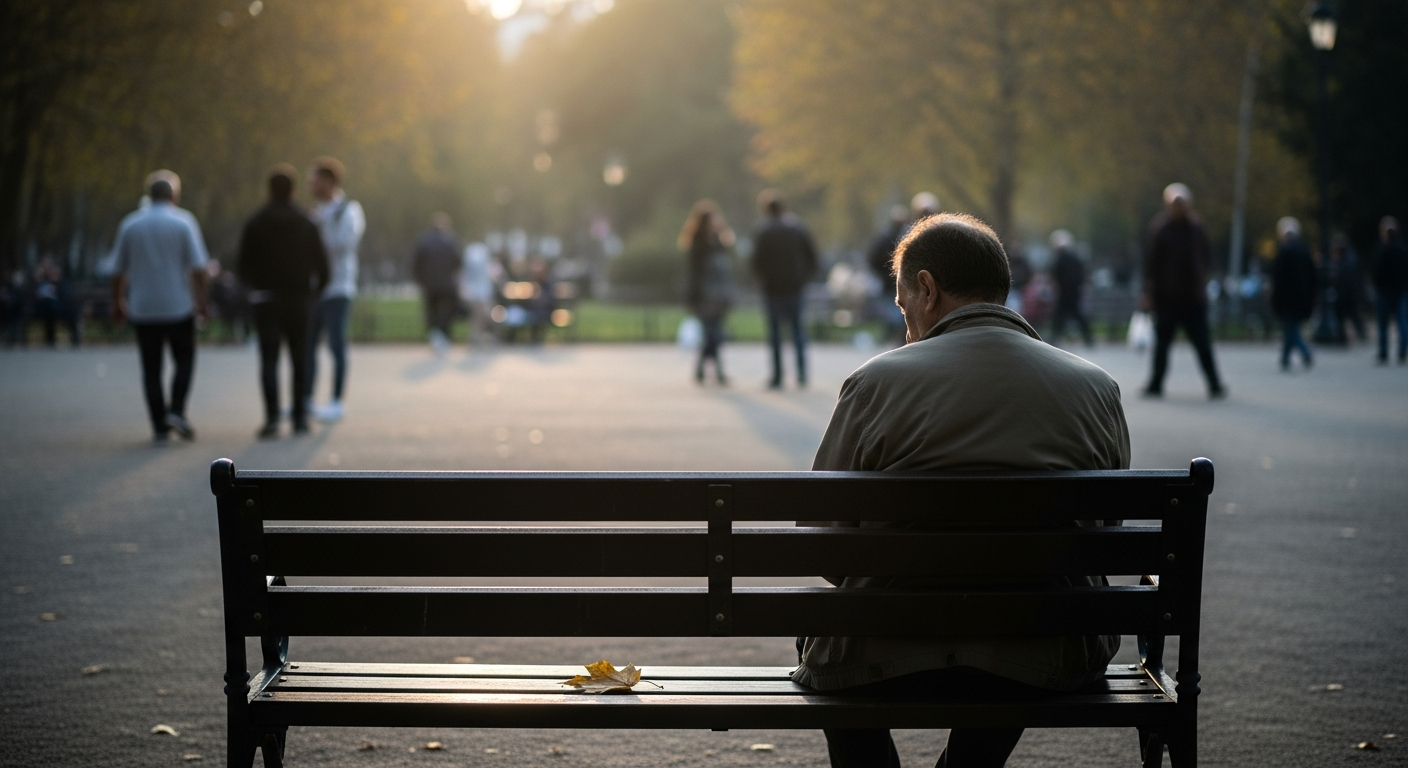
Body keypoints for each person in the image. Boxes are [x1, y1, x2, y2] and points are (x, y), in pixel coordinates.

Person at [799, 213, 1130, 768]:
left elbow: (829, 550)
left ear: (926, 290)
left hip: (885, 651)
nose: (907, 331)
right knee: (1017, 644)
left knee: (832, 639)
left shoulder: (876, 383)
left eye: (905, 309)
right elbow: (1101, 537)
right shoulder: (1095, 390)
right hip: (1043, 650)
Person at [109, 172, 210, 442]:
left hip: (144, 307)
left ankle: (158, 424)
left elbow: (118, 270)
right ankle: (176, 408)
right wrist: (202, 300)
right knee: (185, 359)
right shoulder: (184, 222)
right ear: (174, 195)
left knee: (151, 368)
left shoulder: (131, 224)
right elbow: (199, 267)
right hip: (177, 304)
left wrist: (118, 301)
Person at [237, 164, 329, 439]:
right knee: (300, 359)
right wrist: (312, 294)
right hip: (299, 300)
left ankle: (272, 417)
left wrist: (255, 287)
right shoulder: (306, 223)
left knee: (269, 359)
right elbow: (323, 267)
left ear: (269, 191)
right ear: (294, 190)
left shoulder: (255, 223)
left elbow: (242, 265)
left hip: (266, 299)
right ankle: (300, 417)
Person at [1141, 183, 1226, 399]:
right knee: (1162, 345)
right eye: (1175, 204)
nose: (1179, 207)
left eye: (1182, 203)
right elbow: (1152, 263)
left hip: (1193, 298)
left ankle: (1214, 383)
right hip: (1167, 298)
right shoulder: (1161, 229)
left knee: (1203, 344)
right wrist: (1149, 291)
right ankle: (1156, 383)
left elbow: (1205, 257)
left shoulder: (1197, 228)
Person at [304, 156, 364, 423]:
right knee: (308, 345)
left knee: (336, 345)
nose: (310, 184)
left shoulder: (348, 210)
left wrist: (318, 231)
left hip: (338, 286)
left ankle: (337, 401)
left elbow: (343, 245)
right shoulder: (316, 211)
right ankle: (305, 399)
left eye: (314, 179)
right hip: (315, 288)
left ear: (328, 181)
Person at [750, 190, 818, 389]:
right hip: (795, 287)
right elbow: (812, 257)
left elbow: (756, 262)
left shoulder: (763, 231)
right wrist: (803, 279)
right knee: (798, 331)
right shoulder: (797, 228)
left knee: (775, 333)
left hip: (772, 289)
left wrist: (763, 280)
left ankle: (777, 376)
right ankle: (802, 374)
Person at [680, 199, 737, 385]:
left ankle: (702, 369)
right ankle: (717, 370)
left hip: (719, 295)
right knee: (712, 333)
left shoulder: (719, 242)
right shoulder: (698, 245)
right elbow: (694, 274)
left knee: (714, 333)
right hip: (705, 296)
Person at [1269, 217, 1316, 371]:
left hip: (1287, 298)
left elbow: (1278, 278)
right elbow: (1312, 276)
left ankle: (1304, 352)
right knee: (1291, 327)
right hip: (1302, 297)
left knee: (1291, 328)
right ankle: (1284, 358)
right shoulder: (1304, 250)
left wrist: (1275, 297)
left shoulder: (1285, 251)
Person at [412, 212, 461, 356]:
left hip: (429, 284)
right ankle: (443, 336)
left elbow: (416, 263)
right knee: (446, 312)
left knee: (431, 311)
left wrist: (421, 279)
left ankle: (435, 336)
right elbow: (458, 261)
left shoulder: (424, 241)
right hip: (446, 285)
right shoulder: (450, 241)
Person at [867, 205, 909, 345]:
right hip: (891, 283)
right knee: (896, 314)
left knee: (897, 313)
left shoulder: (900, 237)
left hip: (895, 282)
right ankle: (897, 335)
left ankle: (897, 336)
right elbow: (873, 259)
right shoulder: (890, 238)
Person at [1372, 216, 1408, 364]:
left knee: (1383, 324)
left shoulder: (1383, 249)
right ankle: (1401, 351)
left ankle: (1383, 353)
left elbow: (1377, 270)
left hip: (1384, 291)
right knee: (1401, 322)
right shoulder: (1402, 248)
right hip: (1400, 291)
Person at [1049, 229, 1093, 347]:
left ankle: (1055, 337)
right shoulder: (1076, 259)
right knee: (1078, 316)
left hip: (1064, 293)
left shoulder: (1059, 259)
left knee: (1059, 317)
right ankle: (1088, 338)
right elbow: (1082, 275)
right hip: (1074, 292)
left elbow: (1054, 276)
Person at [32, 255, 81, 348]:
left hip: (63, 309)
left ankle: (75, 340)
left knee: (72, 313)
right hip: (49, 310)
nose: (54, 276)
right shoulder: (43, 283)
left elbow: (68, 297)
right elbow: (37, 295)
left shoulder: (63, 284)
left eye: (56, 274)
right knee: (48, 309)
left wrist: (57, 290)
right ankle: (50, 341)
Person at [460, 242, 498, 349]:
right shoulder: (476, 260)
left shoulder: (486, 262)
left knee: (485, 315)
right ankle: (477, 336)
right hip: (476, 294)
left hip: (483, 294)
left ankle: (482, 335)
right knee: (478, 315)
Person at [1330, 235, 1366, 343]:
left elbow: (1349, 278)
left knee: (1349, 316)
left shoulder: (1348, 259)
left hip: (1347, 294)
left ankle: (1345, 338)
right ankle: (1345, 337)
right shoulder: (1348, 258)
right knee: (1350, 317)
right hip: (1347, 294)